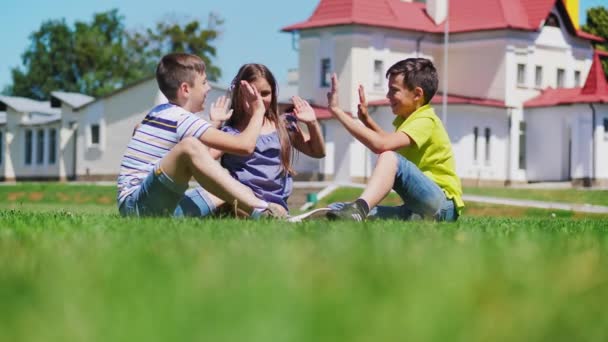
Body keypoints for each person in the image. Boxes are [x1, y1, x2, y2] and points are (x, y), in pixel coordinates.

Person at [117, 53, 285, 219]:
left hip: (153, 203)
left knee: (236, 189)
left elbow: (201, 158)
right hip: (138, 206)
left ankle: (257, 214)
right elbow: (245, 146)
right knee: (189, 146)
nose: (209, 87)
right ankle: (264, 211)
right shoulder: (181, 118)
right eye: (204, 82)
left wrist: (215, 123)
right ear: (185, 89)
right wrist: (258, 111)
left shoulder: (162, 113)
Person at [175, 63, 326, 216]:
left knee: (272, 212)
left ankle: (270, 214)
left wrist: (312, 123)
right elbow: (204, 158)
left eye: (265, 93)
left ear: (274, 94)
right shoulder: (231, 132)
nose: (258, 100)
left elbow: (318, 152)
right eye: (251, 93)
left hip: (275, 204)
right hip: (241, 201)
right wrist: (215, 124)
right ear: (239, 94)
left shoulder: (283, 127)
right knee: (220, 197)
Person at [324, 58, 463, 221]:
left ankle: (359, 209)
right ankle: (347, 213)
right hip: (418, 210)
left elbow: (382, 146)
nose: (387, 95)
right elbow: (388, 141)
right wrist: (366, 120)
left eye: (393, 90)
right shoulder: (408, 120)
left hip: (442, 206)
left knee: (389, 157)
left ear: (417, 94)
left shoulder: (426, 120)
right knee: (337, 209)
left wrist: (337, 112)